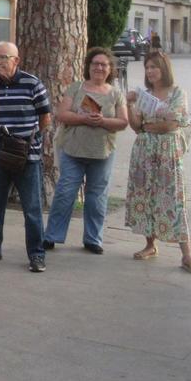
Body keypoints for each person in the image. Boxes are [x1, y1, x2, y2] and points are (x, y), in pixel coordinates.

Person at [0, 42, 52, 272]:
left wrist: (31, 141)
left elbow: (45, 118)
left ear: (16, 60)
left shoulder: (32, 84)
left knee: (32, 208)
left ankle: (36, 254)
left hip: (28, 157)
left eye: (2, 58)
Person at [43, 47, 129, 254]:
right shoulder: (76, 87)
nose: (99, 67)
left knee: (97, 197)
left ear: (110, 69)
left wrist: (103, 121)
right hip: (73, 150)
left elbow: (123, 122)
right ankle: (52, 235)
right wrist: (83, 118)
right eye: (95, 64)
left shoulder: (116, 93)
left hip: (103, 152)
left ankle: (93, 239)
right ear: (88, 67)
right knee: (65, 193)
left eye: (103, 64)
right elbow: (62, 114)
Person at [125, 52, 191, 274]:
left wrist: (151, 126)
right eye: (147, 67)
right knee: (145, 196)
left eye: (154, 67)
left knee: (173, 199)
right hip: (144, 152)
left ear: (164, 69)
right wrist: (130, 105)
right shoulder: (144, 95)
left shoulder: (177, 93)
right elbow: (137, 126)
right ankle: (150, 244)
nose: (150, 71)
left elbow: (173, 123)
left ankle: (187, 255)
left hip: (168, 152)